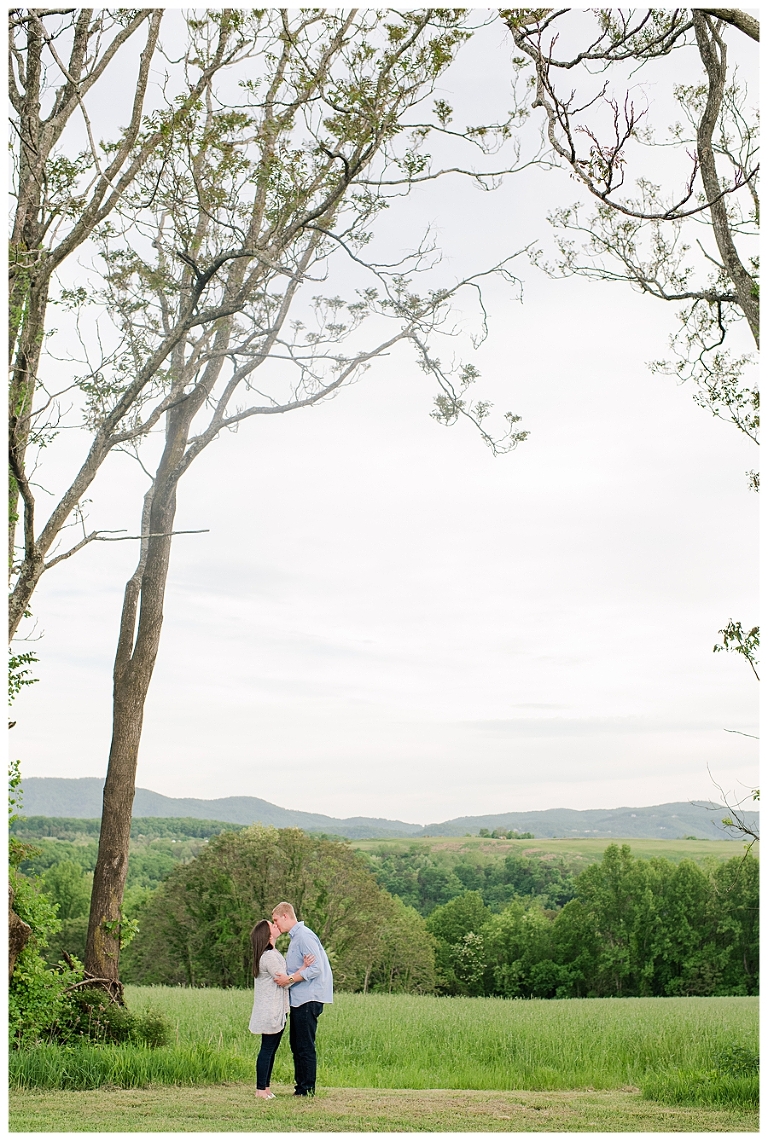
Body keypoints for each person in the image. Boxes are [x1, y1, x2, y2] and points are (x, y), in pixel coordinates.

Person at [271, 901, 334, 1097]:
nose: (276, 925)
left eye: (275, 920)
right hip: (299, 998)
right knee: (297, 1044)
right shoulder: (297, 937)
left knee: (304, 1045)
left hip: (308, 997)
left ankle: (306, 1088)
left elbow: (316, 969)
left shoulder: (304, 936)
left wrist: (289, 979)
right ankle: (301, 1087)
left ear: (285, 916)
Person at [248, 918, 315, 1099]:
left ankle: (266, 1087)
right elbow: (284, 981)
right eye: (272, 925)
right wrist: (303, 968)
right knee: (268, 1049)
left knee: (270, 1048)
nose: (276, 926)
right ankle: (261, 1089)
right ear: (268, 934)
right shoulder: (269, 957)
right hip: (271, 1010)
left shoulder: (270, 954)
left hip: (273, 1009)